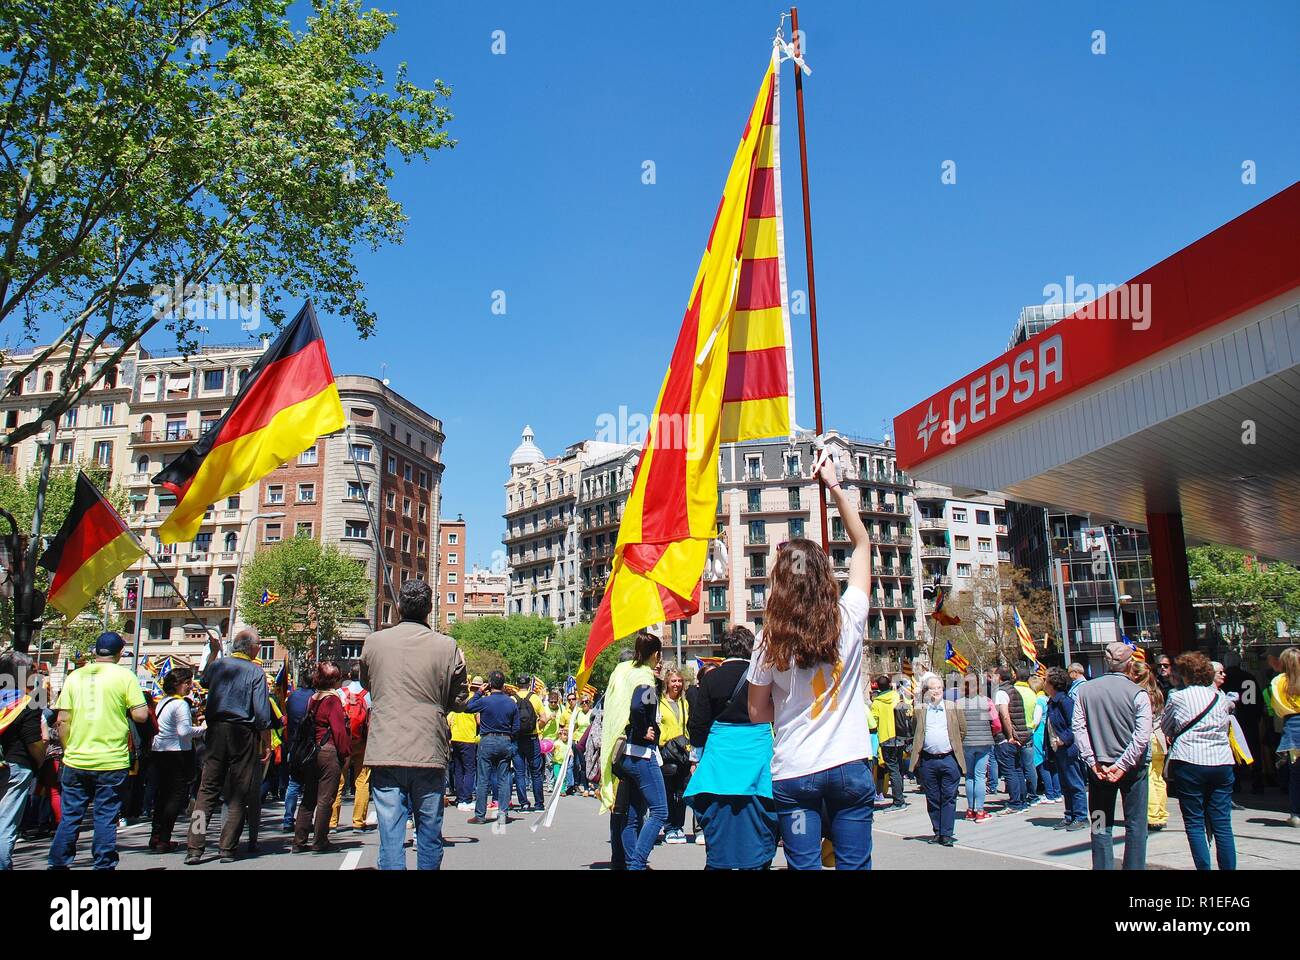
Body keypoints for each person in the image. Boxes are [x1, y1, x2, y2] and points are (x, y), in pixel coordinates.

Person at [747, 454, 875, 870]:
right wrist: (834, 485)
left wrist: (787, 708)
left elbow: (756, 711)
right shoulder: (849, 617)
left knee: (804, 867)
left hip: (796, 772)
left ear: (780, 585)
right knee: (854, 865)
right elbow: (862, 544)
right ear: (824, 576)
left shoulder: (768, 641)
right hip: (848, 767)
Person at [361, 578, 469, 870]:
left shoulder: (374, 642)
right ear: (429, 610)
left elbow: (366, 683)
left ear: (397, 608)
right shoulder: (448, 646)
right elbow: (461, 700)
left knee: (391, 832)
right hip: (428, 747)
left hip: (386, 745)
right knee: (429, 830)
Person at [48, 632, 149, 870]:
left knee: (71, 816)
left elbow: (62, 720)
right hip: (111, 760)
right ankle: (103, 865)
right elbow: (141, 715)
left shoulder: (75, 676)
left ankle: (58, 864)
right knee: (105, 817)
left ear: (95, 651)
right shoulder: (125, 676)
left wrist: (67, 749)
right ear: (120, 653)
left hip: (76, 758)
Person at [683, 625, 778, 866]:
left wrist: (698, 751)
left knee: (720, 819)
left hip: (720, 760)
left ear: (724, 648)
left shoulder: (711, 678)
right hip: (758, 754)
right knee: (758, 817)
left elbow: (698, 724)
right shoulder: (762, 674)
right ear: (750, 648)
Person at [185, 628, 273, 865]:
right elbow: (262, 712)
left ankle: (195, 846)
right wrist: (266, 742)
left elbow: (203, 680)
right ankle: (227, 847)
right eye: (258, 645)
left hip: (215, 730)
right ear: (252, 648)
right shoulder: (255, 672)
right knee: (237, 791)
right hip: (241, 732)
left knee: (207, 791)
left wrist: (213, 653)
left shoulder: (219, 665)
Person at [1073, 641, 1152, 870]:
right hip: (1132, 770)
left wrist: (1093, 761)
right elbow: (1142, 736)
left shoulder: (1085, 690)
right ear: (1129, 665)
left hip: (1100, 767)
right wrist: (1123, 764)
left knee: (1100, 823)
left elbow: (1078, 728)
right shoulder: (1138, 694)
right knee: (1136, 824)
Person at [1161, 651, 1235, 869]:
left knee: (1194, 822)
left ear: (1184, 674)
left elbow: (1166, 727)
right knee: (1222, 824)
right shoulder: (1219, 697)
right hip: (1221, 760)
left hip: (1189, 761)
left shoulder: (1177, 697)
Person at [604, 632, 667, 871]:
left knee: (630, 816)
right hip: (641, 753)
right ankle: (637, 863)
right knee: (660, 811)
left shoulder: (625, 673)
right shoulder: (645, 679)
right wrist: (644, 730)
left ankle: (630, 860)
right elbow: (639, 705)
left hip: (624, 753)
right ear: (655, 654)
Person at [292, 661, 351, 853]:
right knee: (326, 798)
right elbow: (339, 731)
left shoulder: (313, 698)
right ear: (333, 680)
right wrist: (345, 754)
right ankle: (320, 841)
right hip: (329, 751)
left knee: (309, 797)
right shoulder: (332, 700)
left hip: (311, 752)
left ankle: (299, 841)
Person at [149, 667, 204, 853]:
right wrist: (204, 728)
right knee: (174, 797)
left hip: (160, 752)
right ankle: (164, 838)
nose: (190, 686)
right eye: (188, 683)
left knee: (162, 796)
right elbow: (184, 731)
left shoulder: (163, 702)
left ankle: (156, 835)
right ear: (178, 684)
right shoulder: (180, 704)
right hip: (177, 753)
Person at [0, 649, 46, 869]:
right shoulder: (28, 702)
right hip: (16, 766)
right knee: (5, 825)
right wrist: (40, 760)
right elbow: (33, 741)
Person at [909, 674, 967, 846]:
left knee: (949, 796)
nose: (936, 691)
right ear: (927, 691)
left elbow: (963, 730)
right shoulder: (920, 709)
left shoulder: (952, 707)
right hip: (928, 761)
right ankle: (937, 831)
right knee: (933, 797)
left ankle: (947, 833)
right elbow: (916, 730)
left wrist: (952, 744)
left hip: (949, 759)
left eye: (939, 688)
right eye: (933, 688)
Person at [465, 671, 518, 825]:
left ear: (489, 684)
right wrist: (508, 737)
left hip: (487, 739)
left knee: (483, 779)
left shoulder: (485, 701)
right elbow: (516, 726)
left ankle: (480, 815)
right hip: (504, 739)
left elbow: (468, 707)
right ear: (503, 684)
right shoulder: (510, 702)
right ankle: (502, 814)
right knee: (503, 779)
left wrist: (479, 693)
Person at [1043, 666, 1087, 830]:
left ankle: (1081, 816)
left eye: (1045, 679)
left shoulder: (1065, 701)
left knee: (1074, 782)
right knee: (1065, 784)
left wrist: (1064, 739)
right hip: (1057, 749)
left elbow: (1075, 724)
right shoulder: (1052, 701)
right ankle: (1069, 815)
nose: (1043, 682)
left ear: (1053, 683)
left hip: (1068, 748)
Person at [1129, 657, 1169, 832]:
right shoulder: (1157, 691)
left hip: (1148, 737)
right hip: (1159, 738)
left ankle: (1152, 816)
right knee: (1158, 778)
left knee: (1150, 778)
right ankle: (1160, 813)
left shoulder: (1140, 693)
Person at [329, 665, 371, 831]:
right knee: (362, 781)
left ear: (348, 675)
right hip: (362, 743)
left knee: (338, 780)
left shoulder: (339, 693)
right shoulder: (368, 695)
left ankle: (332, 822)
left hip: (343, 742)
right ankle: (358, 822)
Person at [956, 672, 996, 823]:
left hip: (966, 743)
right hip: (984, 742)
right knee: (980, 776)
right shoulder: (986, 701)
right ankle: (980, 810)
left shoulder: (958, 704)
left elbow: (957, 724)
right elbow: (996, 722)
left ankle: (970, 809)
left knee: (969, 776)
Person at [658, 665, 691, 843]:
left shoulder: (684, 703)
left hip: (683, 751)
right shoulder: (660, 702)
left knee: (682, 792)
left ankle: (679, 826)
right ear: (667, 683)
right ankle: (669, 827)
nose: (677, 684)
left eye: (679, 681)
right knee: (668, 791)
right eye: (673, 681)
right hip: (666, 751)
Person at [993, 666, 1033, 815]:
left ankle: (1015, 802)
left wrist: (1010, 735)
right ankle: (1022, 800)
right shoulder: (1014, 689)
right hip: (1021, 735)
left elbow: (1004, 715)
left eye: (994, 675)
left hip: (1007, 738)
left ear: (999, 677)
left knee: (1010, 770)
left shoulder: (1001, 692)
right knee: (1017, 768)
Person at [1270, 647, 1300, 827]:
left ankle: (1296, 814)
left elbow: (1277, 708)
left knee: (1296, 774)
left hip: (1292, 728)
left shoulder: (1278, 681)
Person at [871, 675, 910, 811]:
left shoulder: (876, 703)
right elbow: (908, 710)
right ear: (889, 685)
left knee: (893, 770)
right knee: (898, 768)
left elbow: (873, 723)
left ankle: (898, 801)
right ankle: (900, 795)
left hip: (886, 739)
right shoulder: (897, 696)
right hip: (899, 737)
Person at [281, 671, 314, 831]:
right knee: (310, 784)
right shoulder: (315, 698)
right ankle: (305, 821)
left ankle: (288, 819)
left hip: (293, 745)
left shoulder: (292, 697)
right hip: (309, 747)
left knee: (293, 783)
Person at [511, 677, 548, 812]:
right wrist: (537, 727)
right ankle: (539, 804)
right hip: (532, 738)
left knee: (519, 772)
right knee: (536, 772)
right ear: (528, 685)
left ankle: (524, 804)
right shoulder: (535, 698)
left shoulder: (512, 699)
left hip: (517, 739)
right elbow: (543, 718)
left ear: (517, 685)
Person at [448, 681, 481, 811]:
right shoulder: (474, 702)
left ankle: (459, 798)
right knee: (469, 770)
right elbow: (479, 721)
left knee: (458, 769)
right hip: (468, 739)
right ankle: (466, 799)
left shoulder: (457, 702)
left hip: (455, 738)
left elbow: (449, 720)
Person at [1028, 676, 1058, 804]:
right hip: (1047, 733)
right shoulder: (1047, 698)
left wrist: (1029, 728)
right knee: (1052, 765)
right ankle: (1057, 792)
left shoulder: (1039, 700)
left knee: (1042, 765)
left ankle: (1050, 793)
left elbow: (1036, 720)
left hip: (1039, 734)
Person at [570, 692, 594, 796]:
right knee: (582, 765)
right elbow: (573, 728)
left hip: (591, 742)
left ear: (590, 703)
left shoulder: (593, 713)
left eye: (586, 702)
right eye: (582, 702)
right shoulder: (578, 713)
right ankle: (585, 787)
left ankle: (593, 785)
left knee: (592, 765)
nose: (584, 704)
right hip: (579, 742)